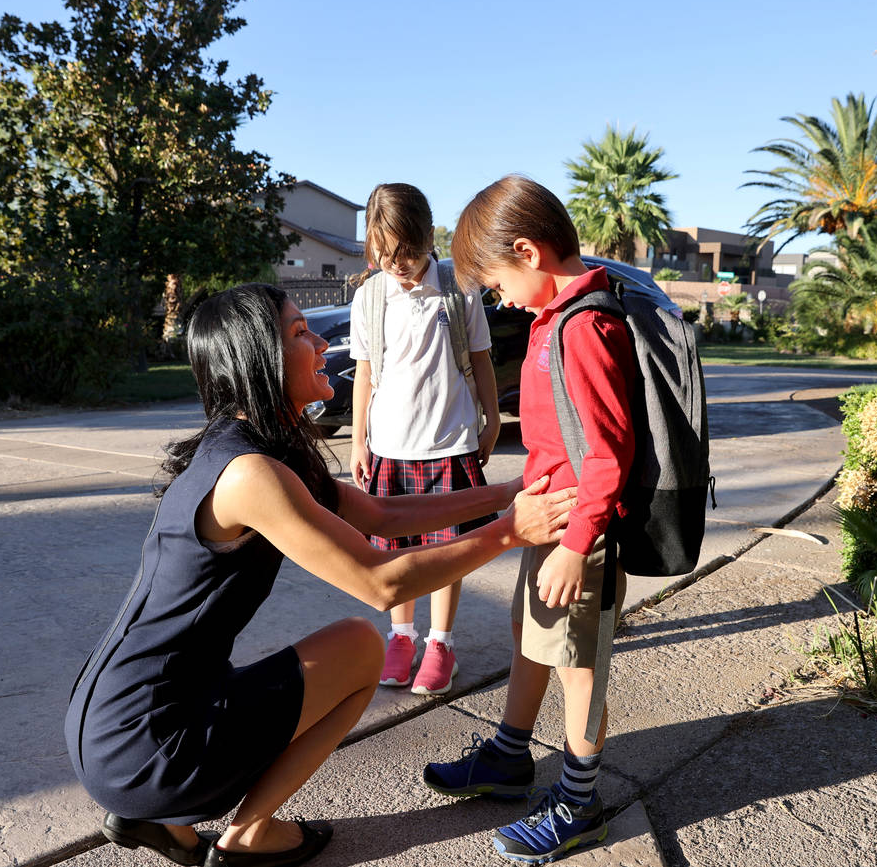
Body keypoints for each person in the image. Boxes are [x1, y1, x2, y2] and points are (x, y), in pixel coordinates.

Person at [64, 283, 575, 867]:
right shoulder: (250, 473)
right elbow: (380, 583)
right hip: (145, 741)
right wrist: (509, 533)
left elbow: (380, 514)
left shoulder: (254, 449)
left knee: (331, 647)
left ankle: (157, 821)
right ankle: (248, 835)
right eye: (300, 333)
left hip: (113, 719)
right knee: (361, 647)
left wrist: (506, 495)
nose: (322, 345)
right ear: (261, 357)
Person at [421, 176, 636, 864]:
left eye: (496, 282)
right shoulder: (554, 319)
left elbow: (608, 456)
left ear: (528, 251)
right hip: (547, 521)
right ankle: (511, 757)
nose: (498, 298)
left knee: (580, 667)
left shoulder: (586, 325)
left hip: (582, 533)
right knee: (530, 637)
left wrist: (578, 547)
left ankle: (580, 802)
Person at [349, 183, 501, 696]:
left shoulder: (459, 287)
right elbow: (366, 374)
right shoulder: (370, 295)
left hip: (451, 440)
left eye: (407, 254)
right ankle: (401, 635)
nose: (397, 265)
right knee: (395, 549)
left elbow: (480, 358)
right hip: (390, 445)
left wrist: (494, 418)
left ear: (426, 238)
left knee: (445, 549)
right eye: (384, 255)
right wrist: (358, 441)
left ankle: (440, 642)